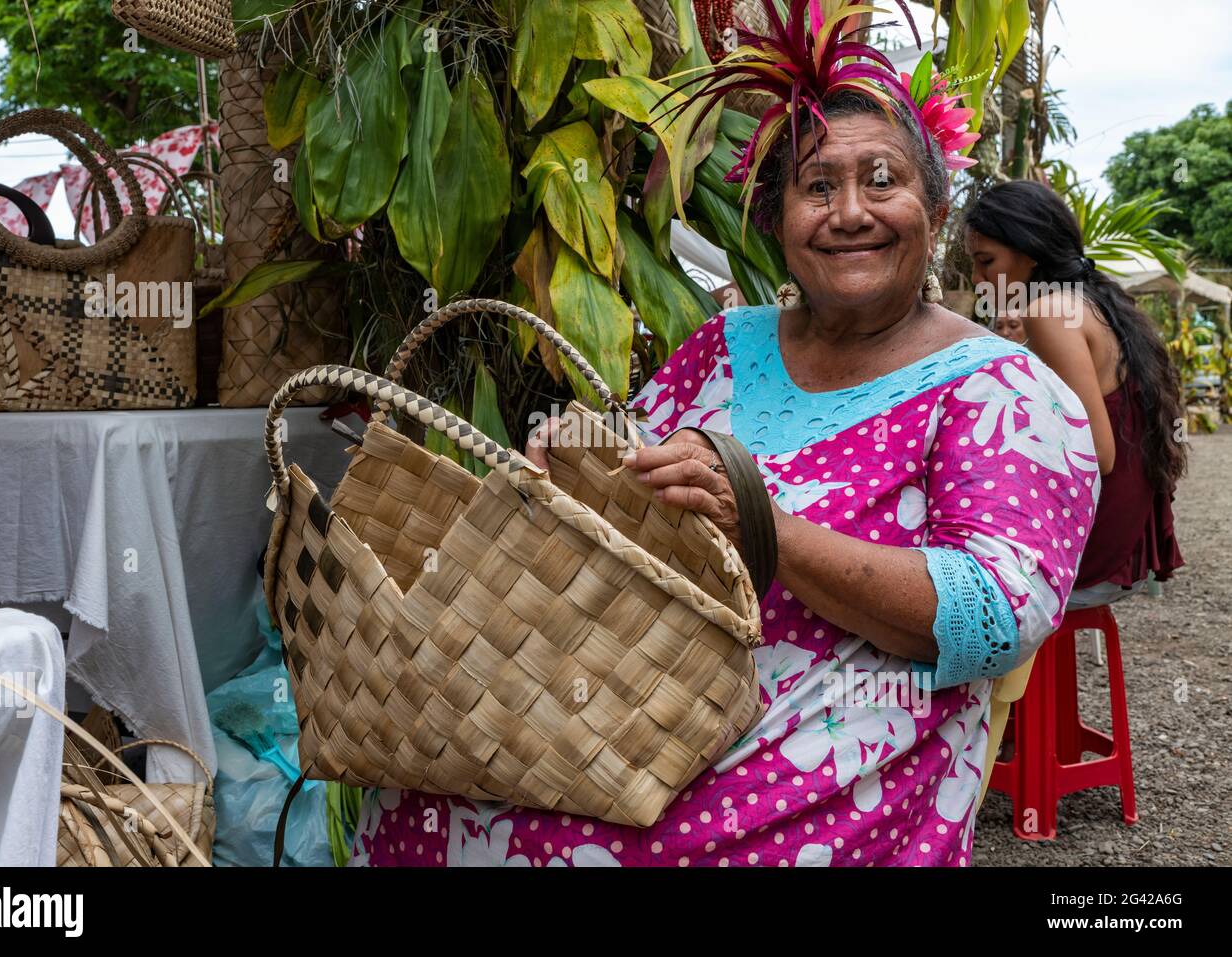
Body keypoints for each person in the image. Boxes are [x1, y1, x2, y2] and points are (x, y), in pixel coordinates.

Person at [351, 6, 1098, 867]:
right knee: (429, 787)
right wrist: (574, 466)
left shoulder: (1001, 390)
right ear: (775, 220)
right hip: (636, 704)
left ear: (933, 205)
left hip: (817, 764)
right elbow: (634, 497)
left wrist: (761, 525)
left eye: (881, 180)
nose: (849, 212)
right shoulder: (727, 342)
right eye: (817, 187)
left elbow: (995, 620)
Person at [966, 181, 1185, 609]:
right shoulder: (1095, 301)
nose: (978, 279)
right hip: (1129, 543)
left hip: (1092, 557)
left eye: (985, 261)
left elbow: (1097, 454)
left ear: (1028, 253)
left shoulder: (1048, 312)